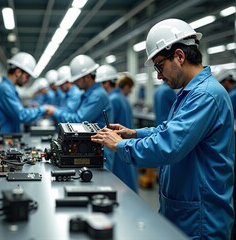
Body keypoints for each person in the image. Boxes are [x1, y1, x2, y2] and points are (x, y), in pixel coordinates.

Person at [91, 18, 234, 239]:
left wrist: (120, 145)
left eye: (159, 66)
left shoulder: (205, 95)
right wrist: (134, 133)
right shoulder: (190, 93)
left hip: (200, 218)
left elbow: (169, 146)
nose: (158, 75)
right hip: (184, 208)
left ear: (179, 56)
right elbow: (170, 129)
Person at [96, 66, 138, 192]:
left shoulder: (113, 99)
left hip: (118, 147)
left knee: (121, 185)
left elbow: (109, 126)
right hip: (125, 143)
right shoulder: (121, 98)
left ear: (107, 83)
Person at [0, 52, 53, 134]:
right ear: (18, 72)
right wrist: (44, 108)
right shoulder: (5, 89)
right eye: (27, 76)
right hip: (4, 137)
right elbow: (21, 115)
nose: (28, 80)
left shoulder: (10, 88)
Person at [47, 54, 112, 127]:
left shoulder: (97, 96)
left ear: (87, 77)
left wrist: (55, 111)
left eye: (77, 79)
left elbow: (78, 121)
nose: (74, 83)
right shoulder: (89, 94)